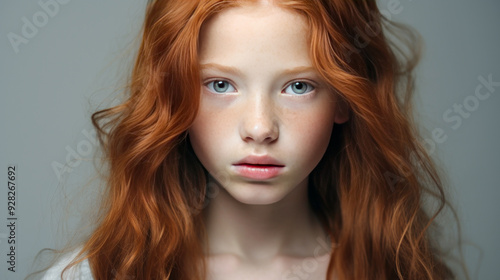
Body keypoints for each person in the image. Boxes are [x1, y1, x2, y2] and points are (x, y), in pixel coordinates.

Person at [42, 0, 457, 279]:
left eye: (298, 87)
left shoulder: (400, 270)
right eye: (221, 85)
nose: (259, 128)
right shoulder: (91, 275)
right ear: (173, 95)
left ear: (344, 100)